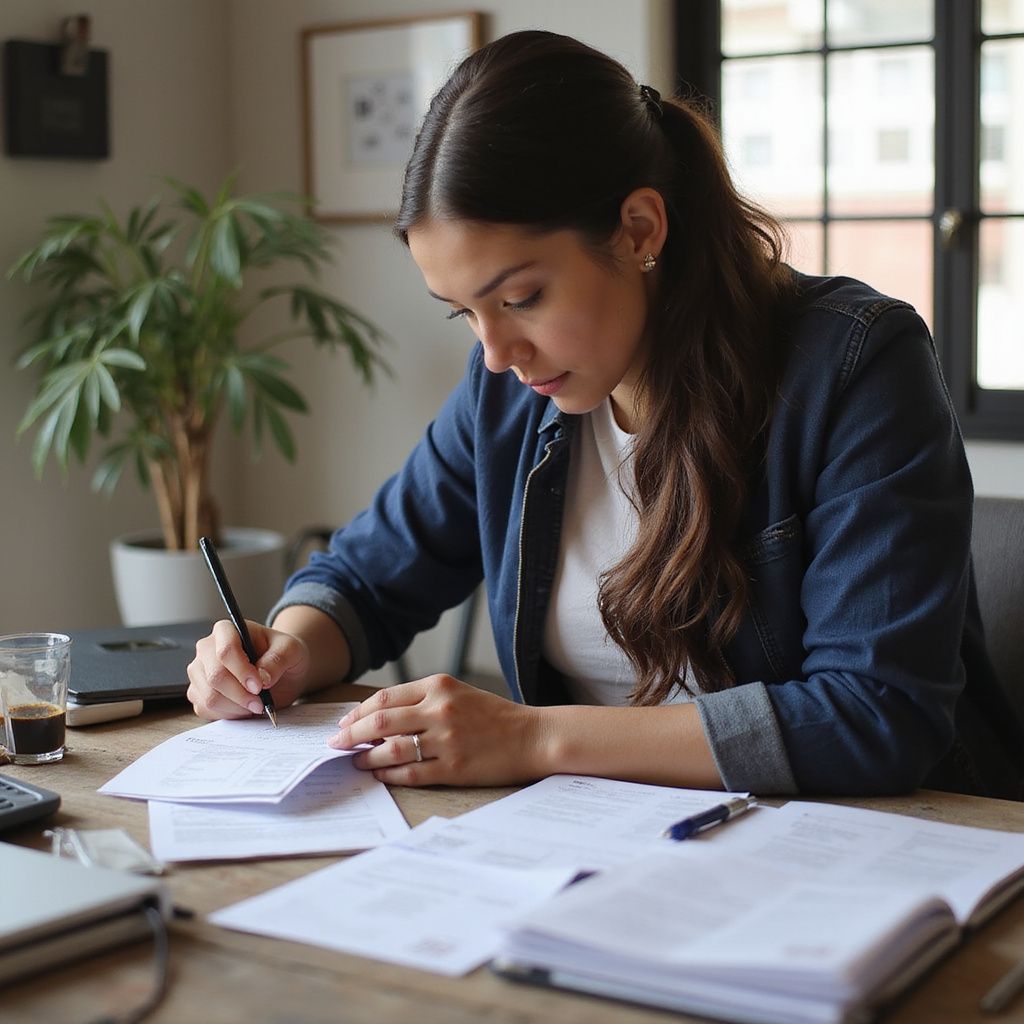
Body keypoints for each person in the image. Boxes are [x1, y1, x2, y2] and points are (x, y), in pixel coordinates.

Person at [187, 30, 1024, 800]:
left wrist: (538, 739)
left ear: (637, 230)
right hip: (602, 844)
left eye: (521, 297)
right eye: (463, 313)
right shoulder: (511, 389)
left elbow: (875, 717)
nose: (496, 353)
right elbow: (366, 578)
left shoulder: (854, 366)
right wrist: (287, 648)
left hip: (873, 852)